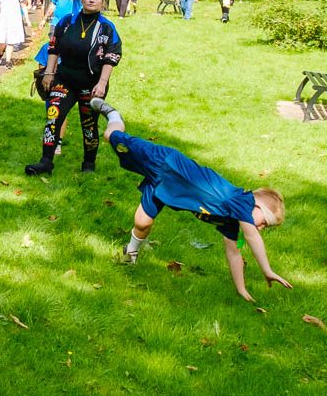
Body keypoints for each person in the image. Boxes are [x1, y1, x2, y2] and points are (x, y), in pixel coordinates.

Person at [93, 99, 290, 303]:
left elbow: (234, 253)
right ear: (257, 205)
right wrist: (267, 270)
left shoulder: (231, 220)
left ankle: (130, 254)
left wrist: (241, 289)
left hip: (170, 191)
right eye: (264, 222)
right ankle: (113, 114)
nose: (261, 228)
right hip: (164, 163)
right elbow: (251, 237)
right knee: (110, 135)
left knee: (142, 222)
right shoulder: (241, 201)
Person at [25, 0, 121, 176]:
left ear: (102, 1)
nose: (91, 1)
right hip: (64, 79)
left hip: (92, 84)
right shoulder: (67, 22)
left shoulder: (107, 28)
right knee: (53, 117)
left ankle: (88, 163)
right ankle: (46, 161)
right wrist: (49, 73)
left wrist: (102, 84)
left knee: (89, 124)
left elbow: (111, 58)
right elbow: (54, 48)